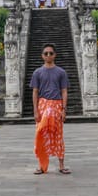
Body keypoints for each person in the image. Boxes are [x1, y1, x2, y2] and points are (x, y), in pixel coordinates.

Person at [30, 43, 71, 174]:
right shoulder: (37, 72)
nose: (48, 55)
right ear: (42, 56)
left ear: (55, 55)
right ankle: (41, 165)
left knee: (58, 135)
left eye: (51, 53)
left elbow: (64, 91)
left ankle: (61, 165)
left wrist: (64, 109)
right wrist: (35, 110)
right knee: (41, 134)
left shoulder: (61, 72)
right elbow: (35, 92)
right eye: (46, 53)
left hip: (56, 104)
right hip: (43, 105)